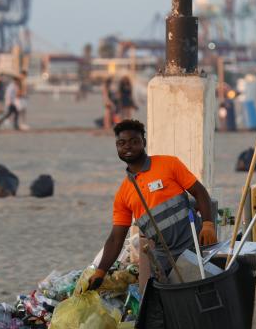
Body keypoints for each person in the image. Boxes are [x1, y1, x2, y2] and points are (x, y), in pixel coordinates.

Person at [79, 119, 217, 294]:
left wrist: (208, 224)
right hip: (164, 260)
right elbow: (116, 238)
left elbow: (200, 193)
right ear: (117, 147)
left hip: (195, 246)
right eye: (122, 143)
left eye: (134, 142)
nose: (128, 147)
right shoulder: (123, 193)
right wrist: (101, 270)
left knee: (205, 293)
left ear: (143, 142)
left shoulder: (169, 164)